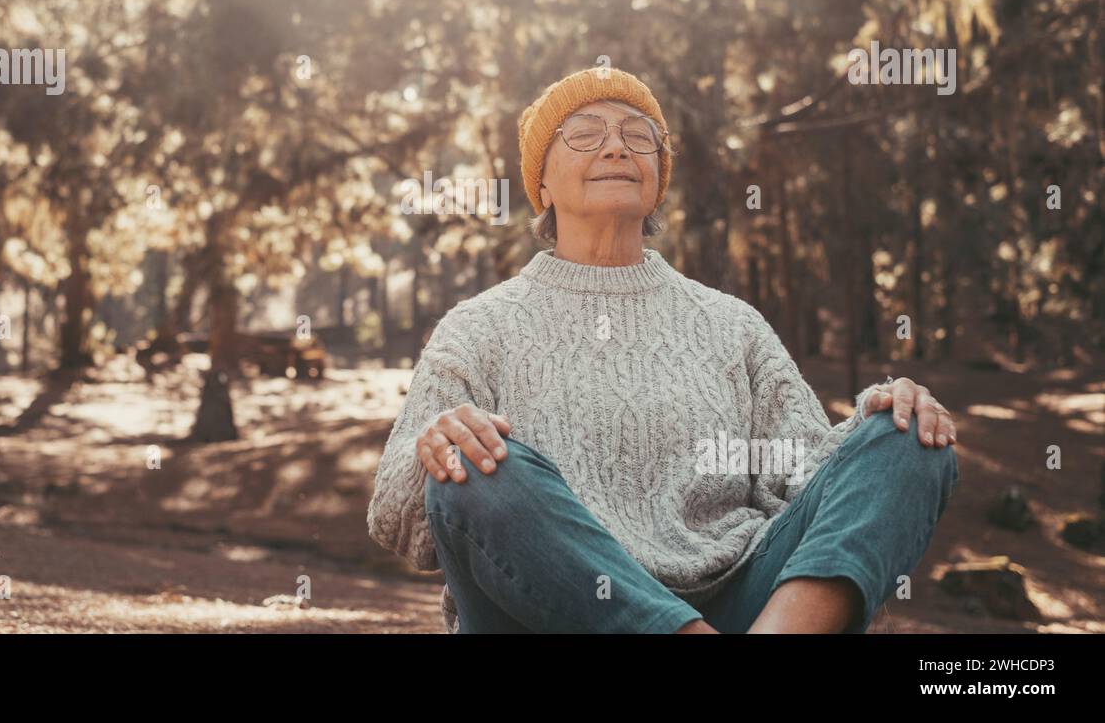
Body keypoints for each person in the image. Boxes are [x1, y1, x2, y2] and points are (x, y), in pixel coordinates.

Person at [366, 66, 959, 633]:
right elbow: (397, 520)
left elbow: (804, 480)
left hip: (740, 604)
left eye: (637, 136)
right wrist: (436, 448)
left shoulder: (732, 324)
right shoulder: (478, 327)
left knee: (909, 434)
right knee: (472, 456)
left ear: (658, 175)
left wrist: (872, 425)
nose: (616, 148)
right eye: (584, 133)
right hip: (544, 617)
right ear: (540, 182)